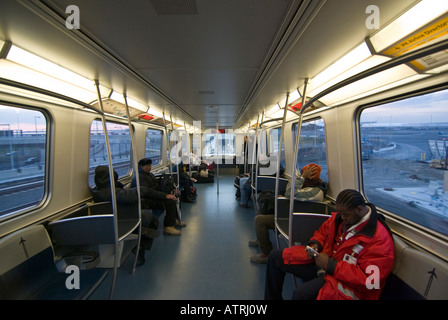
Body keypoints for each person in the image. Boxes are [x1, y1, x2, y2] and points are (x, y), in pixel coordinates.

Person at [264, 189, 395, 300]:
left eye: (345, 215)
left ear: (359, 209)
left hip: (345, 281)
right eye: (340, 214)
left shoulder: (378, 239)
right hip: (324, 261)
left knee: (301, 294)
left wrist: (331, 265)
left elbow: (370, 281)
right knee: (275, 257)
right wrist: (316, 244)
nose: (342, 218)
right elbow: (322, 232)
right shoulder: (340, 219)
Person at [249, 163, 327, 264]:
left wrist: (301, 178)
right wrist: (301, 178)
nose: (301, 176)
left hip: (299, 222)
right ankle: (261, 240)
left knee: (259, 220)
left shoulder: (316, 193)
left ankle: (266, 254)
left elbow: (289, 193)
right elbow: (289, 188)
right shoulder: (303, 185)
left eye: (303, 174)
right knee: (263, 210)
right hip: (290, 214)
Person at [91, 165, 159, 265]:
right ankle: (139, 240)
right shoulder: (109, 192)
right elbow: (126, 196)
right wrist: (143, 189)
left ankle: (141, 236)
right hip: (122, 219)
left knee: (151, 218)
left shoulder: (99, 190)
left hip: (120, 215)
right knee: (150, 217)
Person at [132, 158, 186, 236]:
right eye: (147, 166)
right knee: (170, 201)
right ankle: (168, 226)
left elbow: (157, 185)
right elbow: (148, 192)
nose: (149, 167)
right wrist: (165, 195)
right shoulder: (139, 177)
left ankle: (174, 219)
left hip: (153, 196)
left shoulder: (149, 174)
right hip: (146, 200)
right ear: (141, 167)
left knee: (175, 196)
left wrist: (171, 189)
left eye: (150, 165)